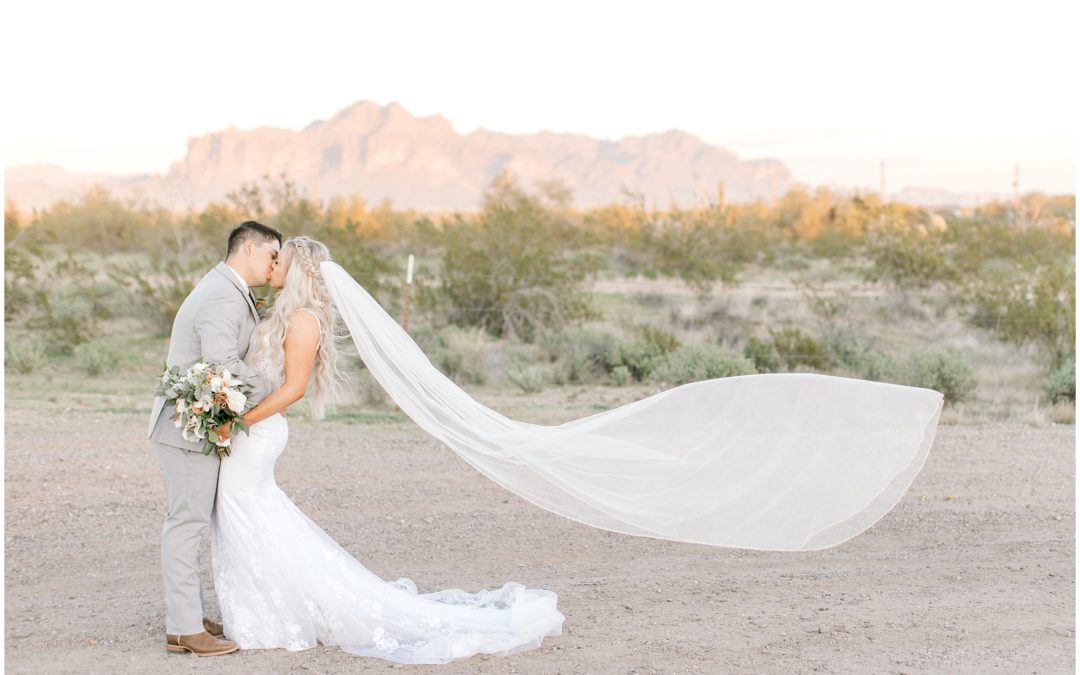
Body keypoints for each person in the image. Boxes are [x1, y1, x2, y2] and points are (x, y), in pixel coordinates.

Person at [212, 236, 565, 663]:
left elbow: (295, 388)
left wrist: (238, 422)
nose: (271, 266)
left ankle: (266, 618)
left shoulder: (304, 319)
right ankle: (260, 613)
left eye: (279, 260)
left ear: (299, 270)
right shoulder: (283, 311)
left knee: (242, 510)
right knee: (250, 516)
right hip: (256, 428)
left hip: (258, 433)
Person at [147, 221, 282, 656]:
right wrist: (270, 390)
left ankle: (184, 618)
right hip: (186, 426)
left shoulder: (228, 287)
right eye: (270, 254)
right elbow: (221, 362)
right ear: (247, 247)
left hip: (196, 425)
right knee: (185, 521)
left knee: (191, 518)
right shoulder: (224, 293)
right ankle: (185, 629)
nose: (274, 264)